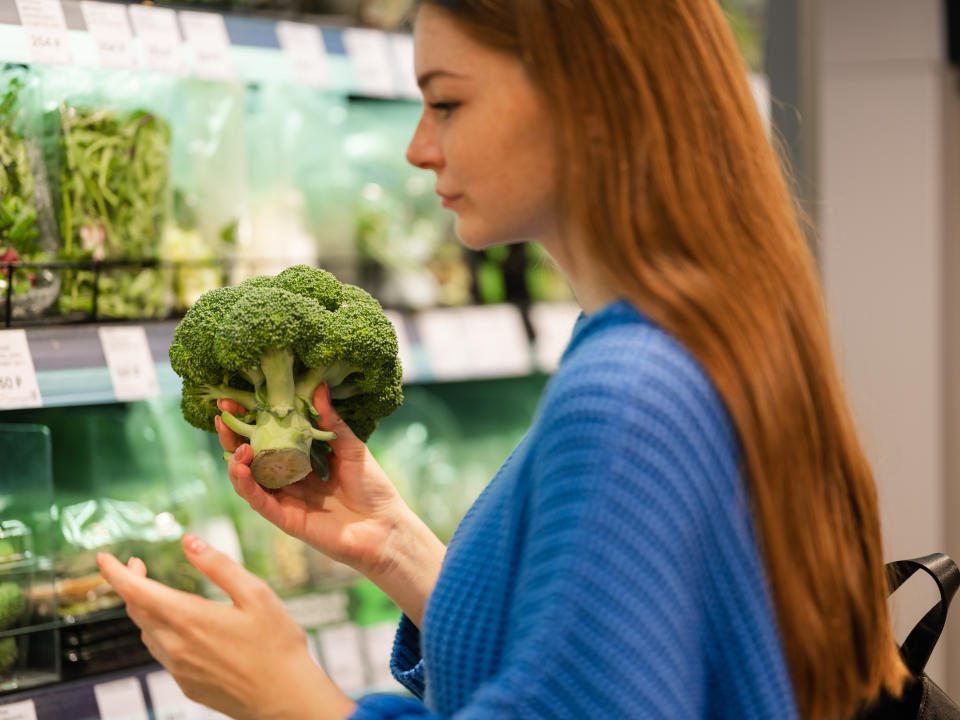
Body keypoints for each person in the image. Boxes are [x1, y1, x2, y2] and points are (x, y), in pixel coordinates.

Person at [96, 1, 911, 718]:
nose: (419, 148)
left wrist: (287, 698)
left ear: (588, 94)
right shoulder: (671, 339)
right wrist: (398, 551)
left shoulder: (628, 392)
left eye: (447, 102)